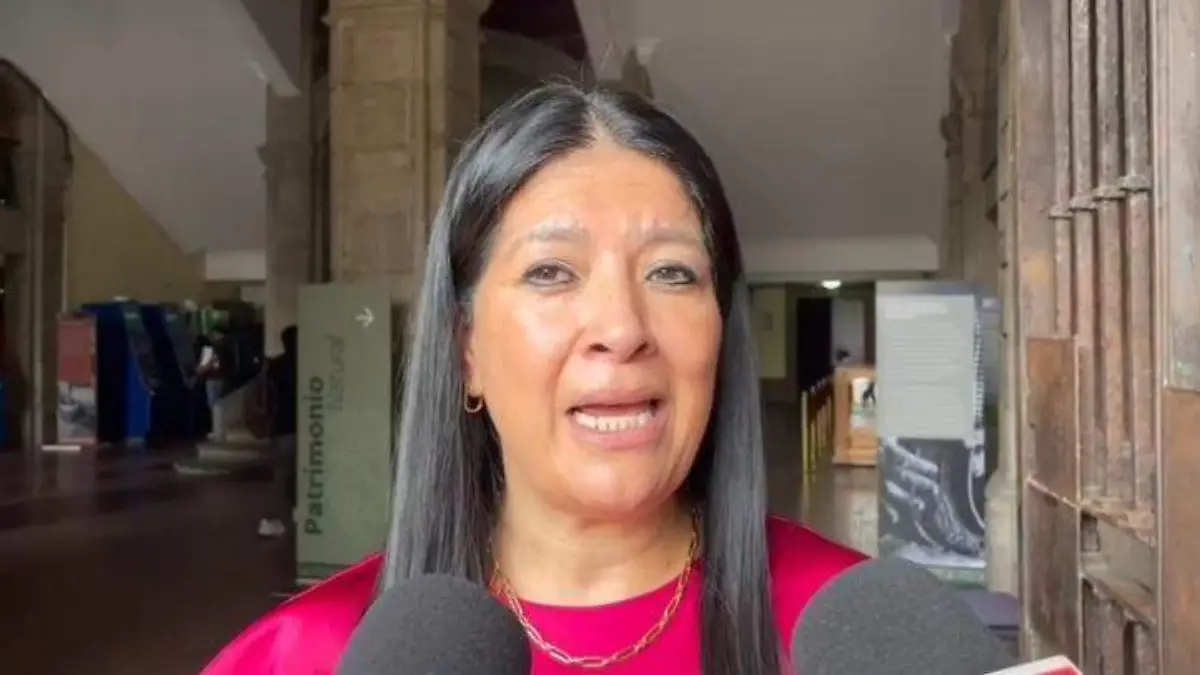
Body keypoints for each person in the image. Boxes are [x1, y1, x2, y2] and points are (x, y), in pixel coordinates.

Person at [202, 84, 867, 674]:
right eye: (551, 272)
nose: (622, 327)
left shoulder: (847, 635)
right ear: (466, 349)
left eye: (671, 272)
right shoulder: (306, 654)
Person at [257, 325, 298, 538]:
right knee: (292, 474)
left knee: (282, 475)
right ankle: (282, 515)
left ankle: (276, 518)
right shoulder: (307, 364)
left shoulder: (276, 366)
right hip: (300, 424)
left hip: (282, 426)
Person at [196, 325, 228, 443]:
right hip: (221, 377)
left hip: (213, 378)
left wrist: (200, 370)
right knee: (218, 405)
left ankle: (217, 432)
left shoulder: (212, 348)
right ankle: (219, 431)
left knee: (214, 405)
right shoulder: (227, 346)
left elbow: (206, 364)